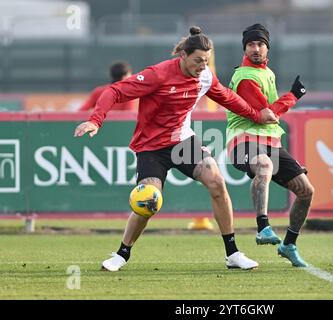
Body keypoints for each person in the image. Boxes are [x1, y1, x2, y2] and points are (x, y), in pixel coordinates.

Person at [73, 26, 279, 271]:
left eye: (206, 60)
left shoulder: (204, 76)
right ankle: (122, 254)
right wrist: (95, 120)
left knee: (216, 182)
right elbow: (114, 91)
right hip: (151, 147)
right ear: (183, 55)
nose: (203, 66)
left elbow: (227, 97)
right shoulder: (158, 75)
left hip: (182, 141)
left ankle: (233, 253)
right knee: (148, 200)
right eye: (198, 61)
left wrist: (256, 115)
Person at [226, 23, 314, 267]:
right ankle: (263, 226)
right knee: (263, 164)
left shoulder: (267, 72)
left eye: (260, 44)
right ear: (244, 49)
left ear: (267, 49)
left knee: (306, 191)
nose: (256, 48)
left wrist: (288, 98)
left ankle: (289, 245)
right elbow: (267, 115)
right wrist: (293, 96)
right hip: (243, 141)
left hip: (270, 142)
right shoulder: (245, 77)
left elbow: (270, 115)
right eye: (251, 45)